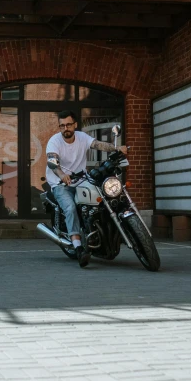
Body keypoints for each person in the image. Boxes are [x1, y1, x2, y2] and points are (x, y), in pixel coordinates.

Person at [46, 110, 128, 268]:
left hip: (81, 179)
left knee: (101, 198)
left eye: (68, 124)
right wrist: (62, 174)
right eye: (62, 126)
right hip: (60, 183)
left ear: (75, 125)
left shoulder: (82, 137)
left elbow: (97, 144)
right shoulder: (54, 141)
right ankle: (78, 248)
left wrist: (116, 149)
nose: (65, 128)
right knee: (70, 208)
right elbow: (52, 161)